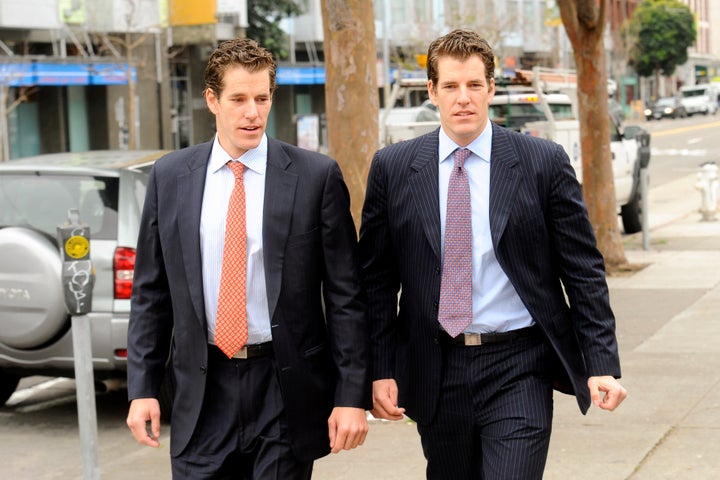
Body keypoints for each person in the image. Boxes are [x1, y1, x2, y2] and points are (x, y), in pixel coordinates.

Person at [359, 28, 627, 479]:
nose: (463, 98)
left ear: (491, 89)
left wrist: (600, 363)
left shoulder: (542, 162)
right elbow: (377, 282)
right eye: (450, 86)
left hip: (518, 363)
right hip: (435, 367)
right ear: (432, 92)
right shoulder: (394, 168)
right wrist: (381, 368)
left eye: (474, 85)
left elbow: (582, 270)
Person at [126, 37, 371, 479]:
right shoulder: (170, 177)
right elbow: (151, 291)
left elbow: (345, 295)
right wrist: (141, 388)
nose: (252, 112)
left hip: (283, 388)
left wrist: (351, 394)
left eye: (262, 98)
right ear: (212, 100)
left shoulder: (315, 178)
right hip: (201, 393)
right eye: (238, 99)